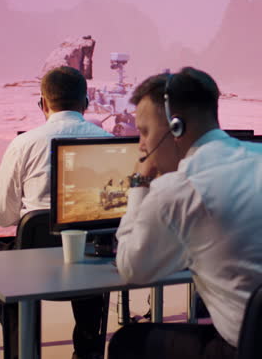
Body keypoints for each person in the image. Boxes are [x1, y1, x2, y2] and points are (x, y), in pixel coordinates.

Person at [108, 66, 262, 359]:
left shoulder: (180, 189)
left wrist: (139, 183)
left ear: (176, 127)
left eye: (144, 132)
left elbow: (132, 268)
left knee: (128, 342)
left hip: (244, 349)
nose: (141, 144)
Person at [0, 66, 112, 359]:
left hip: (31, 266)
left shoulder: (23, 144)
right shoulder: (108, 141)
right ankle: (88, 351)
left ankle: (20, 347)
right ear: (85, 103)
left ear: (43, 104)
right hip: (92, 269)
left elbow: (4, 216)